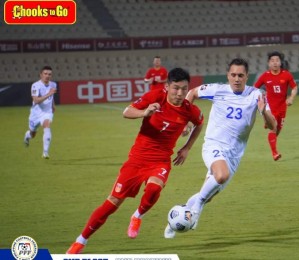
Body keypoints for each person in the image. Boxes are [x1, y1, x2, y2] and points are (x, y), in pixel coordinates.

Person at [66, 68, 204, 254]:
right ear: (167, 86)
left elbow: (199, 124)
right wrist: (144, 113)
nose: (180, 93)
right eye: (176, 88)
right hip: (137, 159)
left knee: (154, 188)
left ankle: (138, 215)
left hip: (161, 160)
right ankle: (80, 241)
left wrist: (187, 148)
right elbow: (126, 111)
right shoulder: (155, 96)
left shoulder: (190, 110)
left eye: (184, 89)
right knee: (112, 202)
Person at [164, 58, 276, 239]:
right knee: (220, 176)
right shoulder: (218, 90)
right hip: (213, 145)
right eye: (233, 75)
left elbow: (273, 126)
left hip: (234, 155)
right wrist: (185, 121)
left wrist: (263, 111)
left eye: (241, 75)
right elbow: (192, 93)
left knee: (209, 194)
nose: (237, 79)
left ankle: (177, 220)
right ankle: (196, 208)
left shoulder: (256, 95)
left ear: (247, 76)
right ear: (228, 76)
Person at [254, 51, 298, 161]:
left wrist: (291, 98)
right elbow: (254, 89)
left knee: (276, 131)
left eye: (277, 60)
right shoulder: (265, 76)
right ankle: (275, 153)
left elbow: (294, 87)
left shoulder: (286, 75)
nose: (275, 63)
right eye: (272, 61)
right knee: (274, 128)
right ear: (269, 63)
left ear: (280, 62)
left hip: (282, 108)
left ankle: (268, 123)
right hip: (269, 106)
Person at [23, 65, 57, 159]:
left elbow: (52, 97)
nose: (47, 76)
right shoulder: (35, 85)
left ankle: (45, 152)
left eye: (49, 74)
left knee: (47, 126)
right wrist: (49, 93)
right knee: (33, 134)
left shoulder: (53, 84)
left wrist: (53, 105)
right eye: (45, 74)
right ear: (41, 75)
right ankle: (27, 135)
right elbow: (36, 100)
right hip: (35, 113)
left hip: (47, 112)